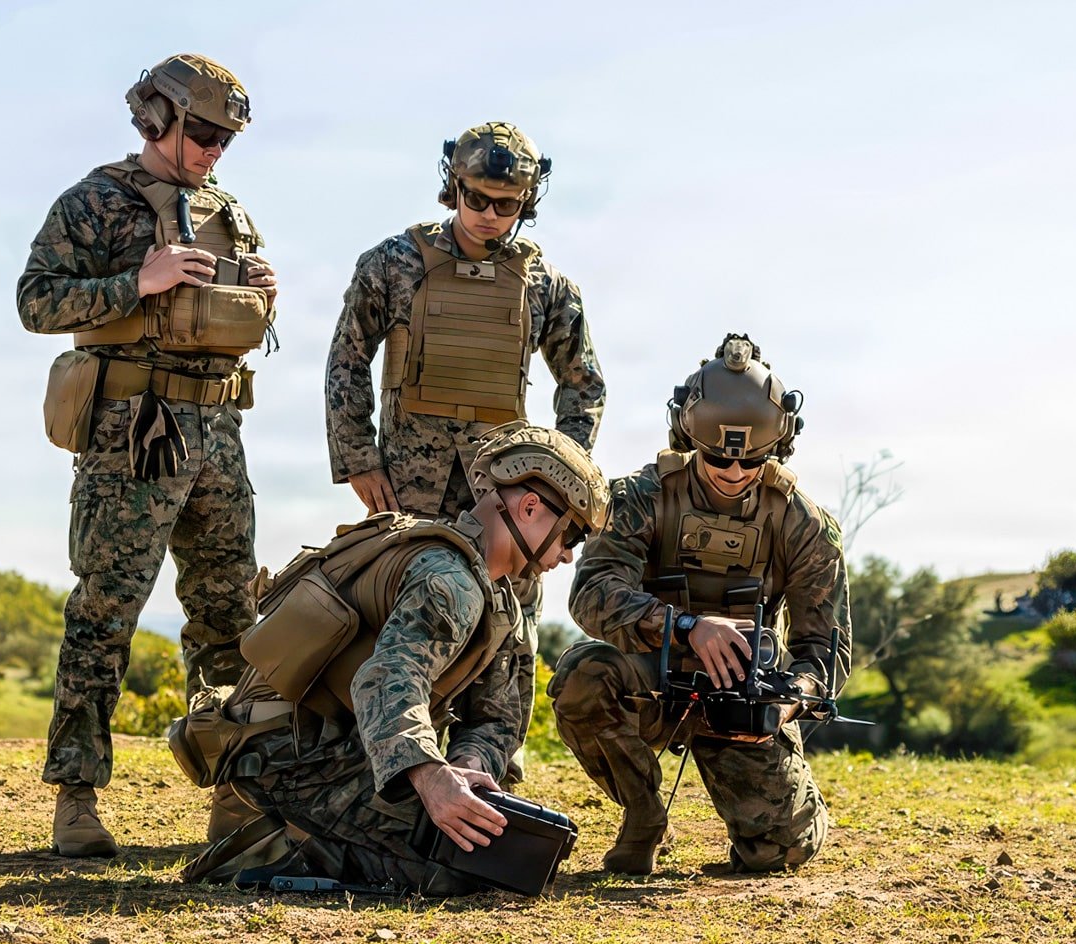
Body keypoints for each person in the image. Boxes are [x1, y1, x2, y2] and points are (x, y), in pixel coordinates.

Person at [17, 54, 278, 857]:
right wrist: (140, 280)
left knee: (231, 617)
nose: (213, 151)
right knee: (106, 611)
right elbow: (35, 301)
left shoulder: (228, 210)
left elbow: (238, 317)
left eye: (226, 138)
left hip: (217, 438)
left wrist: (260, 290)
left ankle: (233, 788)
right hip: (131, 433)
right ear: (158, 118)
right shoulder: (93, 201)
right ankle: (78, 797)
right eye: (202, 132)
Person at [181, 425, 608, 895]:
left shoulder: (499, 602)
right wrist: (431, 777)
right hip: (291, 752)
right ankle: (281, 843)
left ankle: (295, 828)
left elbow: (497, 721)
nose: (568, 556)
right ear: (530, 508)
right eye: (571, 535)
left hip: (344, 749)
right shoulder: (448, 581)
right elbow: (385, 680)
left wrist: (467, 763)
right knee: (466, 870)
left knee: (491, 844)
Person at [323, 121, 605, 781]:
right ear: (454, 186)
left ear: (526, 202)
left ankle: (490, 765)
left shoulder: (545, 286)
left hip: (509, 501)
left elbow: (584, 384)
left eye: (506, 204)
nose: (489, 215)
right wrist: (357, 456)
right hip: (407, 488)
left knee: (510, 628)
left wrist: (562, 476)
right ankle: (395, 765)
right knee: (405, 617)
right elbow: (347, 357)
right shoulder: (392, 264)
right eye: (476, 198)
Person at [549, 333, 852, 876]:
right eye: (717, 458)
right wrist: (685, 627)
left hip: (740, 702)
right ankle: (643, 814)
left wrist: (788, 700)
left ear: (777, 446)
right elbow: (591, 593)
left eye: (752, 460)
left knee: (781, 852)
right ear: (689, 435)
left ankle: (787, 804)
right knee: (581, 675)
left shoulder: (802, 524)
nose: (733, 473)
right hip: (650, 679)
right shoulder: (640, 496)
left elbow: (824, 651)